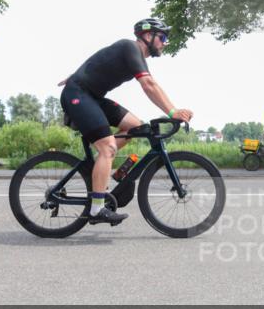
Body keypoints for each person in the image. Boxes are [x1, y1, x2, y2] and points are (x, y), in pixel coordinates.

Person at [58, 18, 193, 225]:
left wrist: (76, 74)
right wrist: (173, 111)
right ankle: (96, 209)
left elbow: (99, 60)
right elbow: (148, 84)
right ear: (148, 36)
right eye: (163, 37)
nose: (165, 43)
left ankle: (100, 166)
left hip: (91, 96)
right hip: (78, 95)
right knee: (109, 147)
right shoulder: (130, 47)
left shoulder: (133, 54)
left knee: (137, 128)